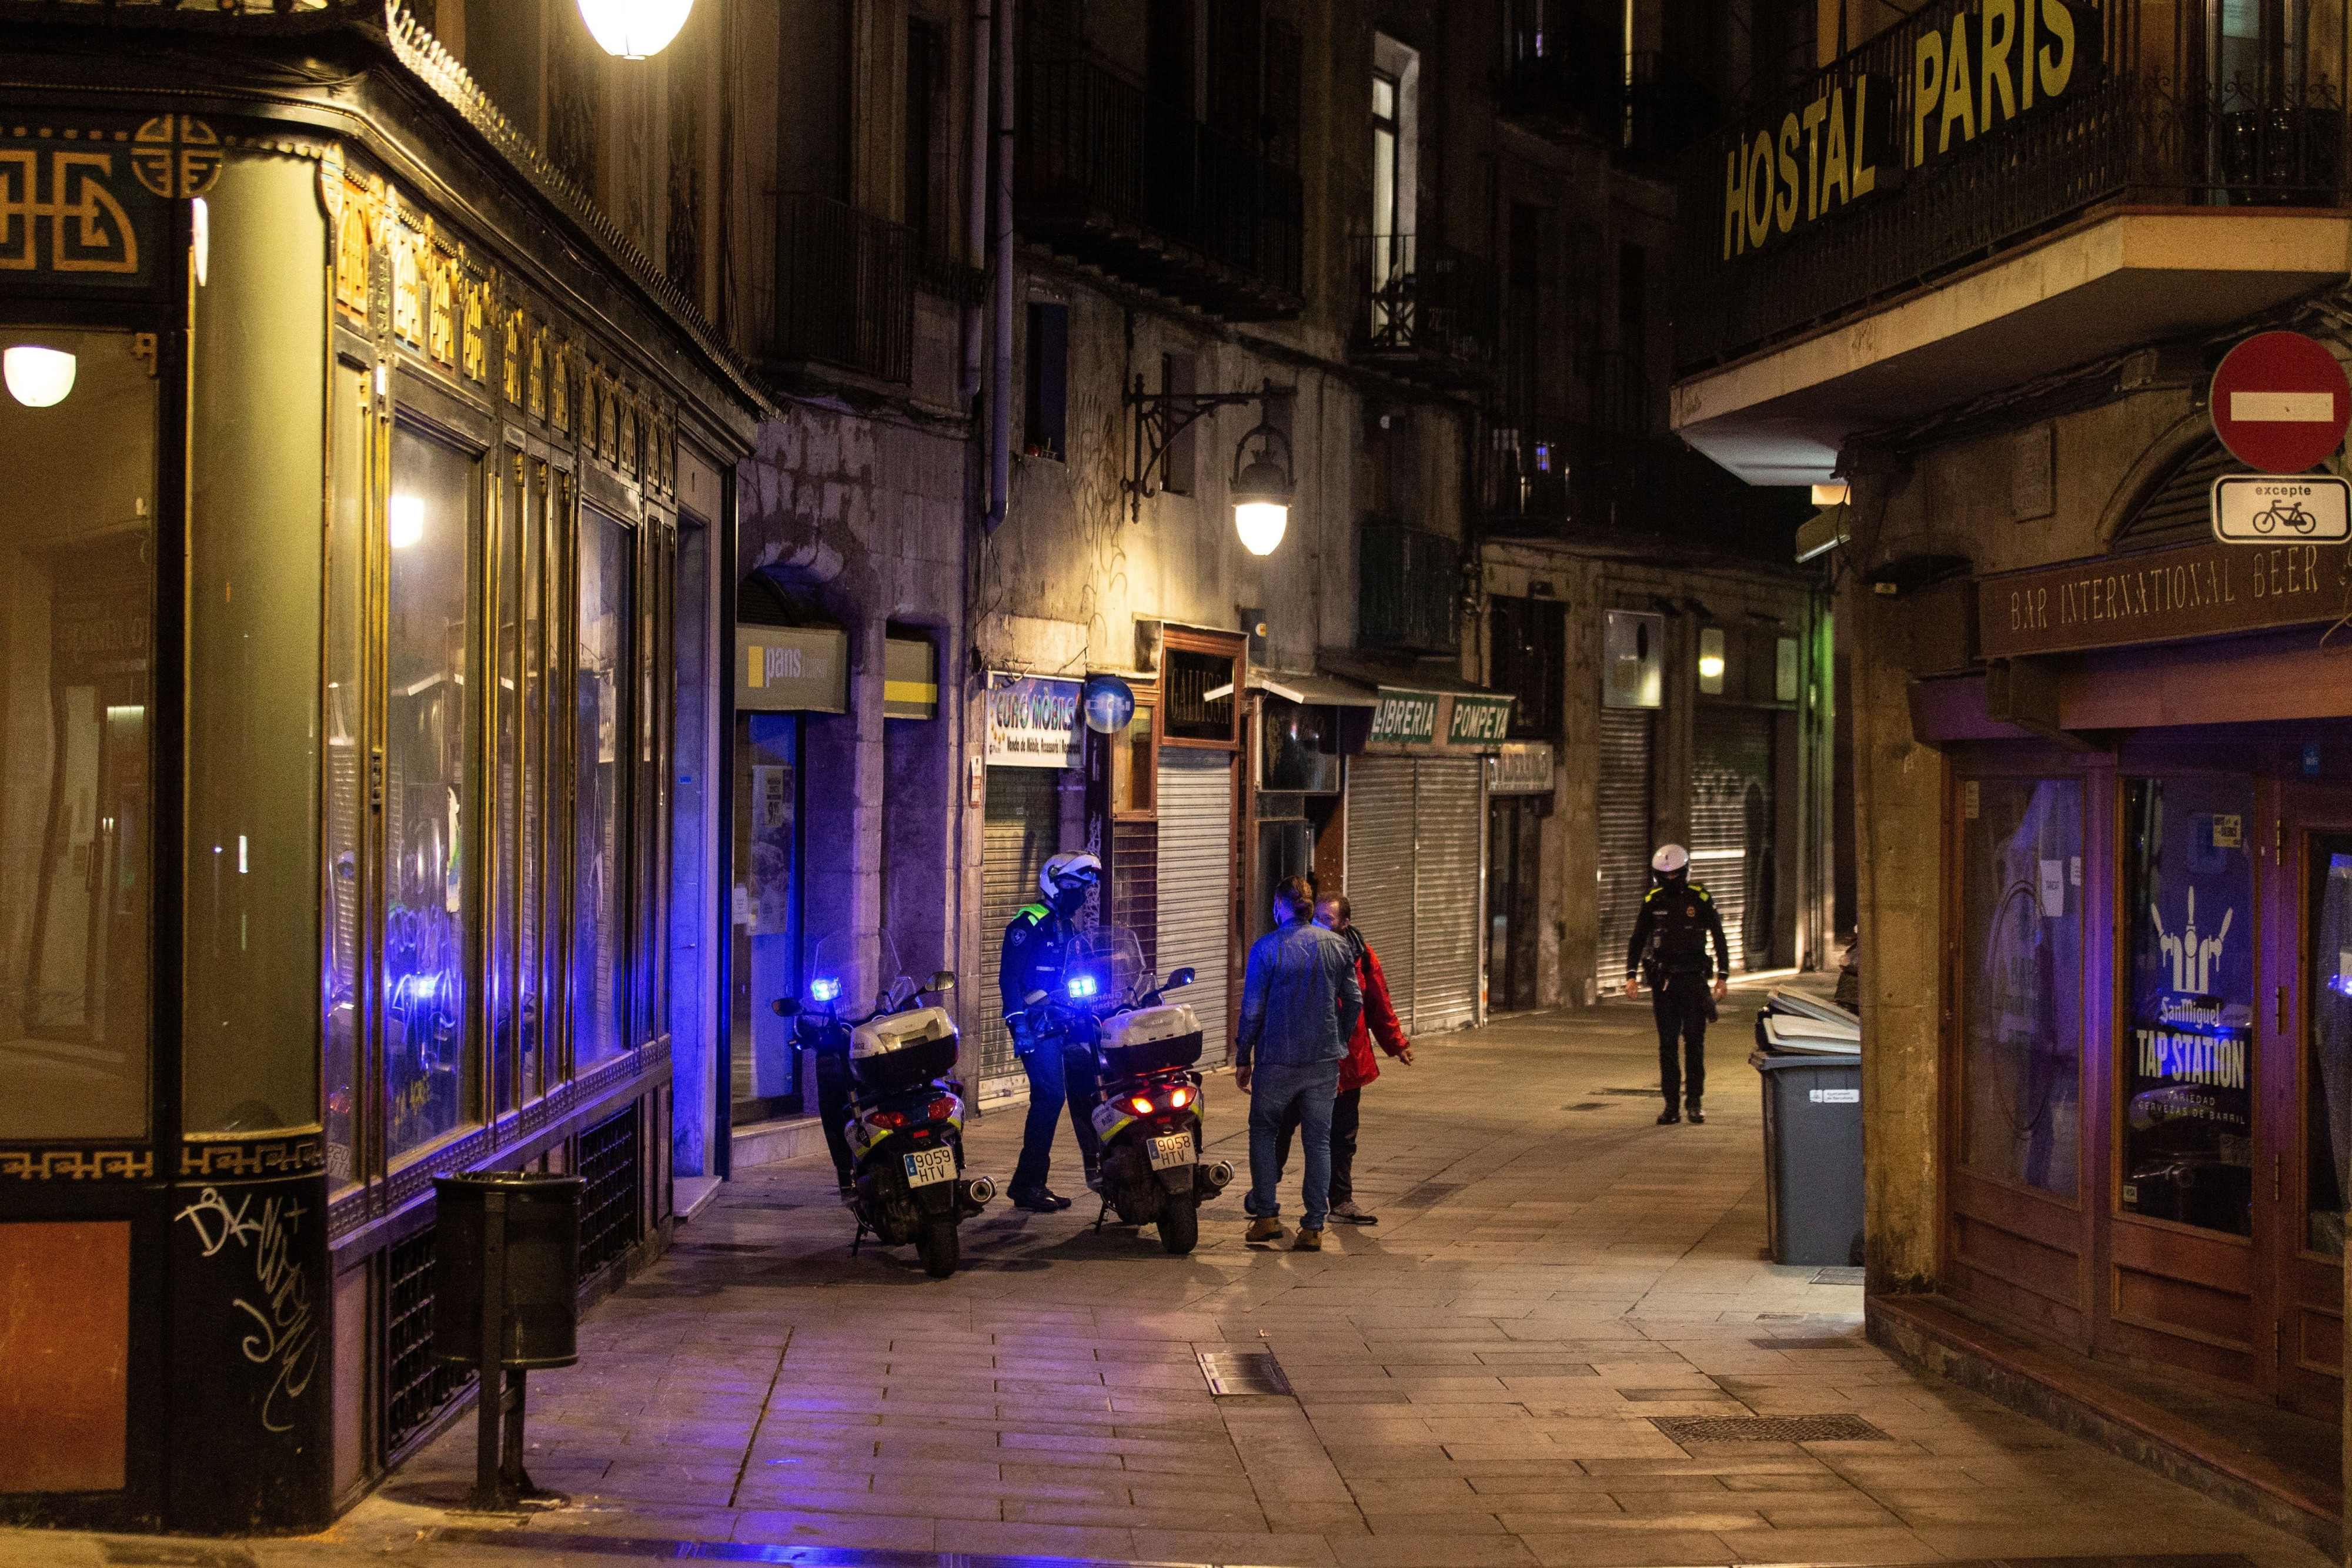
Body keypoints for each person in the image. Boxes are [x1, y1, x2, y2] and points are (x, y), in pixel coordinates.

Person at [1260, 894, 1411, 1223]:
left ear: (1345, 923)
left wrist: (1396, 1042)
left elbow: (1378, 1002)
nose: (1320, 925)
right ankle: (1265, 1192)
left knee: (1342, 1136)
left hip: (1348, 1061)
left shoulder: (1362, 955)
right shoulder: (1298, 948)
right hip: (1301, 1058)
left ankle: (1341, 1201)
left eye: (1328, 919)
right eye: (1317, 918)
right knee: (1281, 1127)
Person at [1236, 876, 1361, 1251]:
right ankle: (1313, 1227)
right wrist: (1339, 1039)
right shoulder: (1337, 946)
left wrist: (1244, 1056)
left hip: (1276, 1059)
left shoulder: (1266, 948)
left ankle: (1267, 1217)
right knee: (1318, 1141)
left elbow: (1253, 1009)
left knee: (1263, 1132)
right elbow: (1355, 1000)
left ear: (1279, 907)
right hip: (1322, 1060)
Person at [1000, 851, 1104, 1211]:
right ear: (1054, 884)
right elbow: (1009, 980)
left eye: (1084, 889)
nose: (1080, 895)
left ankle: (1105, 1169)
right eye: (1074, 887)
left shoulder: (1068, 928)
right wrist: (1018, 1025)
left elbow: (1077, 971)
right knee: (1049, 1096)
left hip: (1066, 1020)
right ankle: (1029, 1185)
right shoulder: (1028, 923)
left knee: (1093, 1086)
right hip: (1036, 1023)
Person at [1623, 843, 1729, 1125]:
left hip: (1694, 981)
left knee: (1694, 1043)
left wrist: (1723, 976)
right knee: (1667, 1045)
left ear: (1685, 872)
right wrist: (1631, 975)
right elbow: (1638, 939)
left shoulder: (1700, 898)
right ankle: (1671, 1105)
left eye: (1675, 874)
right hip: (1665, 984)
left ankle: (1694, 1102)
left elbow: (1719, 936)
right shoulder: (1653, 900)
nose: (1670, 879)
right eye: (1665, 875)